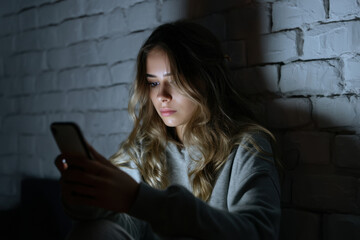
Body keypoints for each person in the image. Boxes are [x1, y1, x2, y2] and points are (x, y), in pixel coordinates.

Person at [55, 21, 281, 240]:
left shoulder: (246, 145)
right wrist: (84, 198)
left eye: (175, 80)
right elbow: (123, 226)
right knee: (94, 231)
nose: (162, 96)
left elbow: (258, 233)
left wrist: (139, 199)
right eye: (153, 83)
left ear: (206, 79)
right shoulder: (145, 147)